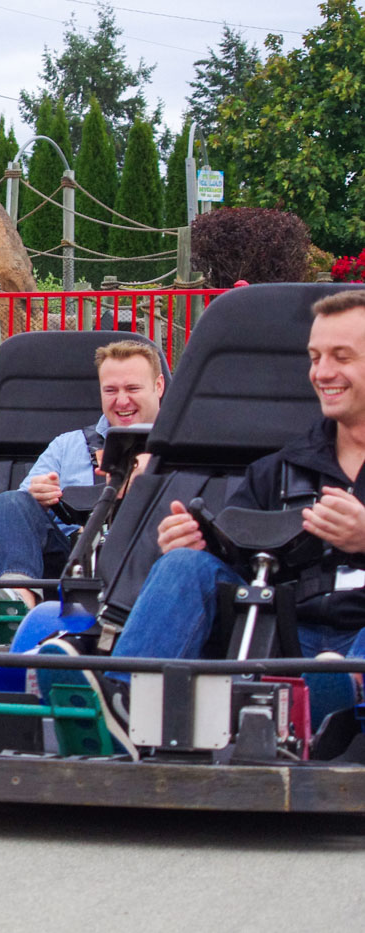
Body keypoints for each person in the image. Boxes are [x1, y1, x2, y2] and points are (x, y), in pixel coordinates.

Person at [49, 292, 365, 740]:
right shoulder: (278, 470)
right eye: (315, 357)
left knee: (336, 671)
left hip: (359, 644)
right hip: (290, 637)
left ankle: (340, 689)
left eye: (341, 357)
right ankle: (120, 705)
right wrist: (201, 544)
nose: (322, 372)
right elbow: (242, 566)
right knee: (184, 564)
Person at [0, 340, 165, 613]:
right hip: (73, 561)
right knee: (11, 502)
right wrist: (39, 495)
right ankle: (18, 601)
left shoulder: (184, 447)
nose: (122, 400)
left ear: (158, 386)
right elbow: (20, 513)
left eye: (133, 388)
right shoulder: (68, 445)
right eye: (111, 390)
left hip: (149, 559)